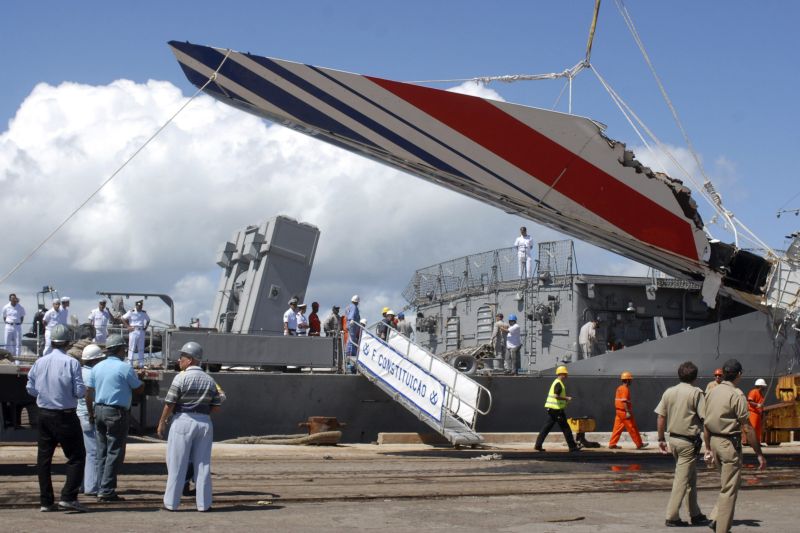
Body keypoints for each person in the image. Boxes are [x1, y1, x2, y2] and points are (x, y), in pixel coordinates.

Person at [25, 324, 88, 512]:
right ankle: (68, 496)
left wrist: (45, 394)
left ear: (51, 341)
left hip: (44, 414)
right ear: (68, 343)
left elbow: (31, 388)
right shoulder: (72, 363)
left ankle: (46, 501)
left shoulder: (40, 362)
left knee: (44, 460)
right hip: (65, 415)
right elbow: (79, 391)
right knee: (76, 456)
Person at [158, 342, 224, 512]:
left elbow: (170, 403)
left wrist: (162, 422)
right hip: (204, 422)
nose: (179, 360)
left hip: (183, 420)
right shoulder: (210, 380)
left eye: (182, 357)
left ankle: (171, 503)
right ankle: (204, 504)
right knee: (203, 464)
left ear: (190, 359)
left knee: (177, 463)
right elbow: (217, 406)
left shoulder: (181, 377)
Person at [703, 359, 767, 532]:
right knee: (730, 489)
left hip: (714, 442)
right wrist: (759, 453)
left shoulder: (711, 392)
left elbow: (706, 423)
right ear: (739, 374)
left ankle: (716, 518)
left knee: (728, 485)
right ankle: (722, 529)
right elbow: (746, 426)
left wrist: (707, 447)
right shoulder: (737, 394)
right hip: (729, 444)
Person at [86, 334, 144, 502]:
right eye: (124, 348)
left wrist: (91, 413)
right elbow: (138, 388)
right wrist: (142, 382)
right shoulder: (124, 368)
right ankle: (107, 490)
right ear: (120, 349)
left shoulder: (97, 367)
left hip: (99, 410)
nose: (125, 351)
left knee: (102, 452)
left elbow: (88, 392)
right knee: (115, 452)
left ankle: (100, 487)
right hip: (116, 413)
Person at [654, 361, 709, 527]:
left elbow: (661, 417)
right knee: (681, 480)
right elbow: (705, 419)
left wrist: (661, 439)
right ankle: (672, 516)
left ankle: (695, 513)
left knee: (690, 478)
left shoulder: (669, 392)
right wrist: (709, 445)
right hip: (688, 443)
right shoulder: (696, 393)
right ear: (695, 377)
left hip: (674, 440)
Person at [77, 344, 105, 497]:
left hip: (78, 415)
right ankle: (92, 487)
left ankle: (81, 484)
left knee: (82, 452)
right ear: (96, 360)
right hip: (90, 415)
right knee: (94, 452)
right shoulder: (96, 373)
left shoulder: (79, 372)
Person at [534, 365, 579, 452]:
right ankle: (572, 447)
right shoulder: (558, 383)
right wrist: (567, 398)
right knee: (566, 428)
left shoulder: (557, 382)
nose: (566, 375)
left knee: (546, 428)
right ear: (561, 374)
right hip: (557, 410)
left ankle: (538, 445)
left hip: (553, 409)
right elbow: (556, 396)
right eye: (565, 374)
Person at [608, 371, 647, 449]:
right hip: (624, 412)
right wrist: (628, 412)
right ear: (627, 380)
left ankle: (612, 444)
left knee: (617, 428)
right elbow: (624, 401)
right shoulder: (625, 389)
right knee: (632, 427)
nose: (631, 381)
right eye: (630, 380)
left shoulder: (619, 388)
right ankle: (639, 444)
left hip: (618, 412)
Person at [121, 300, 150, 368]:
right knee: (131, 348)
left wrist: (145, 327)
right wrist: (128, 326)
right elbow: (122, 318)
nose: (139, 307)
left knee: (141, 348)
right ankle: (129, 364)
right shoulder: (131, 312)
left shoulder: (143, 313)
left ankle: (141, 364)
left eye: (140, 306)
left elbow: (148, 320)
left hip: (141, 331)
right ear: (136, 305)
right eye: (138, 306)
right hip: (133, 331)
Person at [3, 293, 25, 361]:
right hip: (8, 326)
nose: (13, 299)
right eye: (12, 298)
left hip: (17, 326)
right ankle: (6, 359)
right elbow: (4, 317)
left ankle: (17, 360)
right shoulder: (6, 307)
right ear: (10, 299)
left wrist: (18, 323)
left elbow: (22, 317)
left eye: (14, 298)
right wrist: (9, 323)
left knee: (18, 343)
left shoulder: (20, 307)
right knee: (7, 343)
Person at [747, 378, 768, 445]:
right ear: (761, 386)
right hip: (753, 413)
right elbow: (750, 401)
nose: (765, 387)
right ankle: (753, 443)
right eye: (764, 386)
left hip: (758, 414)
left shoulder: (760, 393)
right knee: (753, 428)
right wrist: (757, 404)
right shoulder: (754, 392)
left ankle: (757, 443)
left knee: (758, 429)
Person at [344, 295, 361, 369]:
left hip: (349, 325)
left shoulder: (348, 306)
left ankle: (348, 353)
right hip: (352, 325)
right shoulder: (354, 307)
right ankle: (350, 353)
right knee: (352, 340)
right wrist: (352, 320)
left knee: (349, 340)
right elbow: (352, 315)